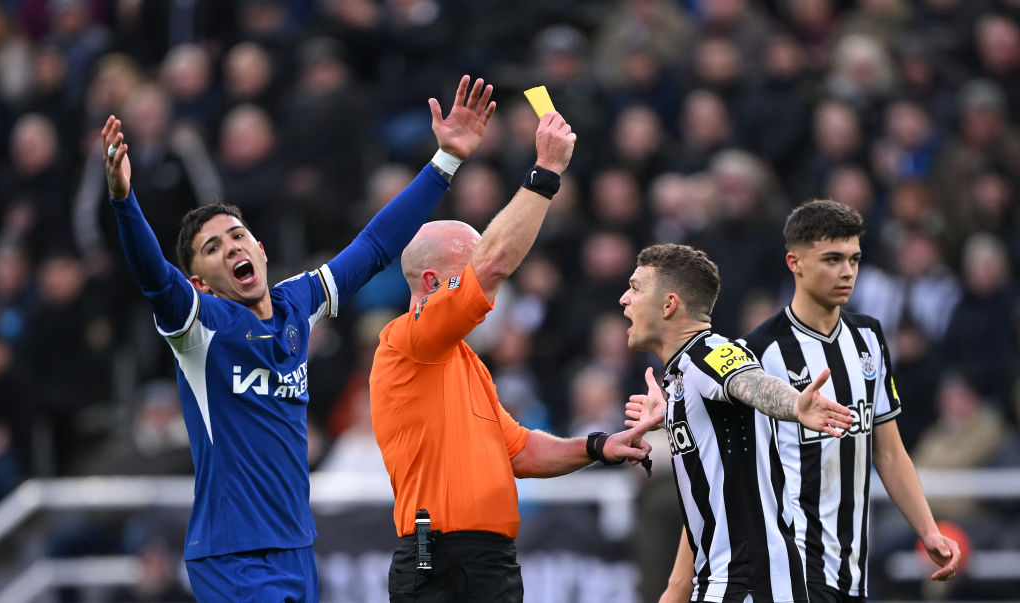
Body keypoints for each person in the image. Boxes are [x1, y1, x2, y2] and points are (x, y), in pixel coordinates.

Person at [101, 74, 496, 602]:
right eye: (212, 248)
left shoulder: (296, 304)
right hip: (232, 556)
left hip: (296, 546)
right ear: (198, 282)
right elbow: (153, 277)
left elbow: (375, 244)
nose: (231, 248)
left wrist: (445, 160)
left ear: (260, 248)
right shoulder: (197, 328)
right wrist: (125, 202)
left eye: (236, 236)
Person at [369, 110, 660, 603]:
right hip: (441, 558)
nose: (490, 285)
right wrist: (545, 172)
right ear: (434, 284)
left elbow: (521, 452)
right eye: (470, 269)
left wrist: (598, 446)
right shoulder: (407, 343)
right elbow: (497, 261)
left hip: (487, 561)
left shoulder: (464, 361)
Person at [740, 200, 960, 602]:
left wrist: (929, 530)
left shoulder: (869, 339)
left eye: (855, 259)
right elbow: (731, 467)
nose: (847, 271)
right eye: (832, 259)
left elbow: (890, 452)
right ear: (795, 262)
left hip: (850, 568)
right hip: (787, 567)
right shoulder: (758, 351)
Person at [620, 243, 855, 602]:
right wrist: (669, 416)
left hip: (751, 584)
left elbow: (752, 382)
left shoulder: (710, 352)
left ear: (669, 305)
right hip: (721, 580)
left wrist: (794, 404)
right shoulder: (683, 376)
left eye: (635, 288)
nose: (624, 299)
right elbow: (713, 481)